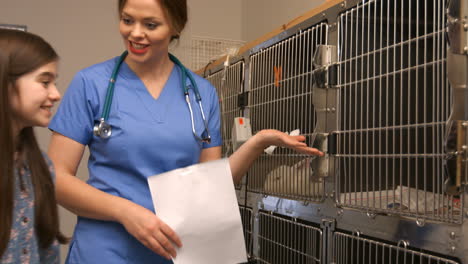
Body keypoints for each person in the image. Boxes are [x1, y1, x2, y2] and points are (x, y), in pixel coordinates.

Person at [47, 0, 324, 263]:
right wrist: (126, 212)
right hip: (105, 251)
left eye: (151, 24)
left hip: (178, 251)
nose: (135, 33)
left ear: (176, 27)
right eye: (127, 20)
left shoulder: (201, 94)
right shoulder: (91, 84)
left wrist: (259, 141)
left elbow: (210, 185)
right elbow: (56, 178)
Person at [0, 28, 67, 263]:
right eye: (45, 82)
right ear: (6, 83)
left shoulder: (39, 166)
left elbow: (48, 251)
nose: (56, 94)